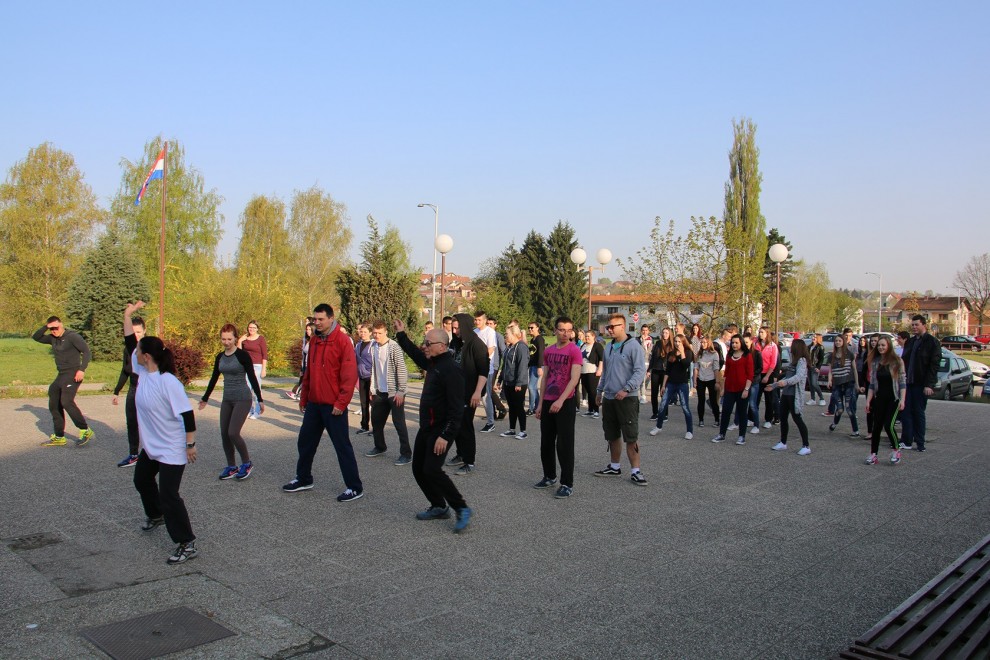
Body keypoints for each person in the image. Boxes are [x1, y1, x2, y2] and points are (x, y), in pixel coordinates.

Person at [394, 321, 472, 532]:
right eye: (425, 342)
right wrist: (401, 335)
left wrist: (445, 436)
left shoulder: (452, 371)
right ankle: (439, 506)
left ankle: (461, 507)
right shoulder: (433, 363)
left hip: (441, 430)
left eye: (428, 343)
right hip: (427, 427)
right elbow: (415, 354)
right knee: (419, 469)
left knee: (432, 469)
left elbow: (457, 410)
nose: (424, 346)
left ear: (442, 346)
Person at [283, 304, 364, 502]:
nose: (317, 323)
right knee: (305, 442)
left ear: (331, 318)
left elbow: (349, 375)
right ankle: (304, 478)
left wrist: (341, 403)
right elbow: (309, 372)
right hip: (314, 403)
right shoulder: (314, 340)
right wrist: (304, 397)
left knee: (342, 446)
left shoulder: (342, 341)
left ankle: (354, 487)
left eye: (321, 319)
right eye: (315, 319)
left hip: (333, 406)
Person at [130, 335, 199, 564]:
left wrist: (190, 445)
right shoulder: (143, 374)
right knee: (141, 480)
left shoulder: (168, 381)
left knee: (169, 495)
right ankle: (156, 515)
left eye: (139, 351)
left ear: (147, 356)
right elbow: (130, 341)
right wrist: (127, 317)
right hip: (152, 445)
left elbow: (187, 414)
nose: (135, 353)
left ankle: (187, 543)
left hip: (172, 446)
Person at [199, 324, 264, 481]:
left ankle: (247, 463)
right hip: (227, 399)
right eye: (223, 339)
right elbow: (214, 378)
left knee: (233, 432)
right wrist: (205, 398)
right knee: (224, 434)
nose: (226, 342)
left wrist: (260, 399)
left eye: (229, 339)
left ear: (235, 338)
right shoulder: (220, 357)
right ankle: (232, 466)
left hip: (243, 398)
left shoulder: (242, 355)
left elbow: (252, 377)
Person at [594, 314, 648, 486]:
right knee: (612, 434)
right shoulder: (609, 347)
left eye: (612, 327)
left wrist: (626, 389)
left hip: (627, 399)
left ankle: (636, 471)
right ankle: (614, 466)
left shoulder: (634, 346)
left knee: (631, 435)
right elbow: (605, 372)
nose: (609, 330)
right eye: (608, 327)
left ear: (623, 326)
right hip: (609, 397)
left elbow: (639, 372)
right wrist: (599, 391)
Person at [534, 317, 583, 498]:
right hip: (548, 400)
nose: (565, 333)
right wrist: (540, 404)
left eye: (569, 330)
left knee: (564, 444)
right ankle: (549, 476)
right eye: (562, 330)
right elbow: (545, 378)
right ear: (555, 330)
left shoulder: (574, 350)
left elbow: (574, 379)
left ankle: (566, 483)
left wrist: (561, 401)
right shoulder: (549, 351)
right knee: (546, 442)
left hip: (565, 402)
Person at [33, 316, 94, 447]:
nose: (54, 331)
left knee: (66, 401)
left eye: (56, 328)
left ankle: (85, 429)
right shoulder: (52, 338)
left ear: (61, 324)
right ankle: (59, 436)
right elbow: (36, 337)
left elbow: (86, 352)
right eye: (51, 329)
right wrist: (46, 326)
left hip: (74, 373)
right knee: (54, 400)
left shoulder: (72, 336)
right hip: (61, 374)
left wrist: (82, 369)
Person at [446, 313, 489, 475]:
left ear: (465, 326)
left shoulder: (477, 345)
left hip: (470, 392)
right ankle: (461, 453)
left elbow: (483, 371)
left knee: (465, 426)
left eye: (457, 328)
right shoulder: (456, 342)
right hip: (455, 392)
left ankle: (469, 461)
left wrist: (477, 392)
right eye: (453, 328)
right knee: (456, 424)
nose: (455, 331)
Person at [365, 321, 412, 465]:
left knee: (399, 423)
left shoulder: (393, 347)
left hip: (395, 392)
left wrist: (401, 391)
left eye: (380, 333)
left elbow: (401, 369)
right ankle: (380, 447)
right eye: (374, 333)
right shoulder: (373, 346)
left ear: (386, 332)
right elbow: (373, 369)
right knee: (376, 421)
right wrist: (372, 389)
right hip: (380, 391)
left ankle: (406, 454)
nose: (377, 335)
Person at [113, 302, 147, 467]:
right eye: (134, 332)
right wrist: (116, 391)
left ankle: (153, 453)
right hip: (134, 388)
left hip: (148, 389)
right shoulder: (131, 349)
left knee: (150, 422)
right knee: (132, 422)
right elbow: (125, 370)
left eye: (138, 332)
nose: (136, 335)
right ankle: (134, 454)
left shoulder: (151, 346)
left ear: (144, 331)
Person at [900, 314, 941, 452]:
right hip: (908, 383)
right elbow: (904, 361)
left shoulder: (932, 342)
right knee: (905, 412)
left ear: (924, 325)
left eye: (916, 324)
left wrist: (929, 384)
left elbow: (934, 365)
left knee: (918, 412)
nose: (914, 327)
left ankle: (920, 442)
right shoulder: (910, 342)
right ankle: (906, 440)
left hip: (920, 383)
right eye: (912, 325)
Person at [865, 336, 906, 465]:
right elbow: (872, 384)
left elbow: (902, 382)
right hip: (879, 398)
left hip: (893, 398)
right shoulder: (875, 362)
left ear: (889, 346)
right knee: (876, 427)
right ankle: (873, 454)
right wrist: (868, 401)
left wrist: (902, 400)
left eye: (883, 345)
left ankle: (896, 449)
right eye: (879, 345)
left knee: (888, 425)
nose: (880, 347)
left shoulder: (897, 361)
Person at [768, 339, 811, 455]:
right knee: (783, 418)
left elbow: (798, 377)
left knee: (797, 419)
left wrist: (785, 382)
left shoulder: (802, 361)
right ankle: (783, 442)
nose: (791, 348)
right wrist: (774, 385)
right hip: (786, 394)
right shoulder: (793, 362)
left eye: (792, 346)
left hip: (794, 395)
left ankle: (806, 445)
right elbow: (787, 377)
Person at [649, 334, 695, 439]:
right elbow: (667, 371)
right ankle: (658, 427)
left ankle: (689, 431)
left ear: (683, 342)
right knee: (663, 405)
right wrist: (663, 385)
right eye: (675, 341)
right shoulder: (671, 353)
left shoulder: (688, 352)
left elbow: (685, 365)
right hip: (671, 383)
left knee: (685, 407)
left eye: (679, 342)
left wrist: (682, 352)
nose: (677, 343)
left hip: (682, 384)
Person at [711, 334, 753, 445]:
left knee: (742, 413)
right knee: (726, 412)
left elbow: (750, 375)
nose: (734, 345)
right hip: (730, 389)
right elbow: (726, 374)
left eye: (736, 343)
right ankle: (722, 434)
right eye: (733, 342)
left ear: (741, 343)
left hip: (742, 389)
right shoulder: (729, 356)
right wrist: (723, 388)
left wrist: (746, 389)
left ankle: (741, 436)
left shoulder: (747, 355)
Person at [496, 324, 529, 439]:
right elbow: (504, 365)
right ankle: (512, 429)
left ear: (514, 334)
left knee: (518, 406)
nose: (505, 336)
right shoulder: (509, 347)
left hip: (518, 383)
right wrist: (500, 380)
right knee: (512, 407)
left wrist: (519, 383)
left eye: (507, 334)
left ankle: (523, 431)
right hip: (508, 382)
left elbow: (522, 366)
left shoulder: (521, 347)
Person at [827, 335, 861, 437]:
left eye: (840, 341)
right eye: (836, 341)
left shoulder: (849, 354)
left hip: (848, 383)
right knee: (840, 409)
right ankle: (834, 423)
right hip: (837, 384)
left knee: (849, 408)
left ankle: (855, 430)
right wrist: (829, 380)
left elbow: (854, 369)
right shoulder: (831, 356)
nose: (838, 342)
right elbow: (830, 370)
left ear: (843, 342)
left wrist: (857, 384)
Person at [237, 320, 268, 419]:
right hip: (247, 366)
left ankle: (257, 411)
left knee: (256, 389)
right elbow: (239, 353)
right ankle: (249, 410)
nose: (252, 329)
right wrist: (239, 341)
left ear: (257, 329)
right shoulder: (245, 338)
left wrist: (264, 369)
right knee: (247, 389)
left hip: (257, 366)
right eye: (250, 327)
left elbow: (265, 355)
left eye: (254, 328)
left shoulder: (260, 339)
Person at [694, 335, 722, 429]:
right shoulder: (699, 354)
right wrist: (694, 381)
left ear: (709, 343)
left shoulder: (714, 354)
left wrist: (717, 382)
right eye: (701, 342)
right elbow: (696, 368)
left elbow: (716, 369)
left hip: (711, 379)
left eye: (704, 342)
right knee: (701, 400)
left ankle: (717, 419)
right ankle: (701, 420)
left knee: (713, 400)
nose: (703, 344)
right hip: (701, 379)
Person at [755, 327, 780, 428]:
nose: (760, 334)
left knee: (769, 398)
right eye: (759, 332)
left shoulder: (773, 346)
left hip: (768, 374)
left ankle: (768, 419)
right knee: (755, 397)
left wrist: (768, 376)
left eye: (762, 332)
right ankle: (752, 418)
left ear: (767, 333)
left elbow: (773, 363)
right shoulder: (756, 344)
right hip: (757, 373)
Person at [485, 317, 508, 420]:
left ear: (495, 325)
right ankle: (492, 413)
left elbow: (503, 351)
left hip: (494, 366)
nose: (489, 325)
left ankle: (501, 408)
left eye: (491, 323)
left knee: (489, 388)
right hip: (485, 365)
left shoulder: (498, 336)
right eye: (487, 323)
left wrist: (505, 367)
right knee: (487, 389)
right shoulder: (485, 334)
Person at [740, 333, 763, 435]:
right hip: (743, 381)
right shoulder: (742, 353)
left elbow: (760, 368)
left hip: (753, 382)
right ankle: (738, 422)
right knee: (741, 404)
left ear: (751, 342)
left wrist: (751, 375)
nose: (745, 344)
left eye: (746, 342)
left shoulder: (757, 353)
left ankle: (756, 425)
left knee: (752, 404)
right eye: (743, 342)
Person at [353, 323, 373, 435]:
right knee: (364, 403)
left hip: (371, 377)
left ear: (370, 333)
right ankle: (364, 426)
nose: (363, 334)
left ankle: (376, 428)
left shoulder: (373, 345)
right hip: (361, 377)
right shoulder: (358, 345)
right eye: (361, 332)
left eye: (365, 332)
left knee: (374, 403)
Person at [648, 327, 672, 421]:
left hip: (665, 371)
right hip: (656, 369)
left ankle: (664, 413)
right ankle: (655, 413)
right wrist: (649, 369)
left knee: (664, 393)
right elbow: (653, 357)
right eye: (663, 332)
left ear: (669, 334)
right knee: (654, 393)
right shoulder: (658, 343)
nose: (664, 334)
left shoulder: (671, 345)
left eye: (666, 333)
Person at [580, 330, 604, 419]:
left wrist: (600, 369)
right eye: (586, 336)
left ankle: (596, 410)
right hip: (583, 371)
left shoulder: (597, 346)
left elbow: (602, 358)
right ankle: (590, 410)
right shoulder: (583, 345)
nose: (587, 338)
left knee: (593, 391)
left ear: (593, 336)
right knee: (588, 391)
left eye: (588, 336)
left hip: (593, 371)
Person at [288, 323, 315, 400]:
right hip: (306, 365)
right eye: (307, 329)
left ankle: (300, 394)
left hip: (312, 365)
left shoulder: (315, 340)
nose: (308, 331)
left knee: (308, 382)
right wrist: (302, 368)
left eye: (310, 329)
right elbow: (304, 355)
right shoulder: (307, 340)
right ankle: (301, 395)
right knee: (305, 381)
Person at [526, 321, 546, 415]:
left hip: (537, 366)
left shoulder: (540, 339)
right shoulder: (532, 340)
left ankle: (531, 408)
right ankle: (538, 406)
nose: (530, 329)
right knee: (533, 387)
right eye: (529, 328)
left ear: (537, 328)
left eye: (532, 327)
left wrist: (539, 367)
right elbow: (531, 354)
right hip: (532, 365)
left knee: (531, 387)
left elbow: (541, 353)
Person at [636, 324, 653, 404]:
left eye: (646, 330)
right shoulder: (637, 340)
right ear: (641, 331)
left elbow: (651, 351)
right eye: (643, 330)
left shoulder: (651, 340)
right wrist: (642, 341)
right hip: (640, 362)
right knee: (642, 380)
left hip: (649, 362)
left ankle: (643, 393)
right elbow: (639, 350)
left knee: (647, 380)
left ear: (648, 331)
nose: (644, 332)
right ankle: (642, 396)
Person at [808, 334, 826, 406]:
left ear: (818, 338)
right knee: (810, 384)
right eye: (813, 337)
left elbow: (821, 358)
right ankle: (812, 399)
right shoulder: (809, 346)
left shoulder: (820, 347)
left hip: (815, 367)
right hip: (809, 367)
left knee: (814, 383)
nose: (813, 338)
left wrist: (818, 367)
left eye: (815, 337)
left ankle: (822, 398)